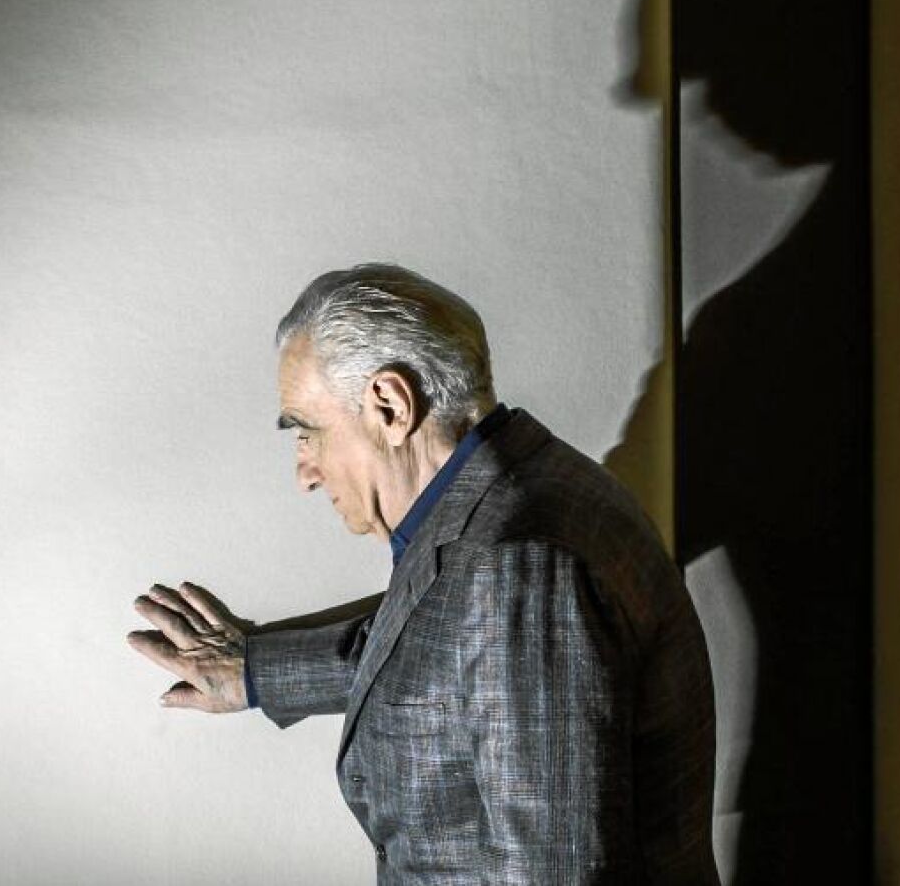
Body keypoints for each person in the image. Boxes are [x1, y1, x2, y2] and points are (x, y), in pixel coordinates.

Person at [128, 263, 719, 883]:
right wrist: (251, 672)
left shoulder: (518, 562)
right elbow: (436, 646)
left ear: (389, 405)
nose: (305, 474)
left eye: (307, 433)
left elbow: (558, 872)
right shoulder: (504, 501)